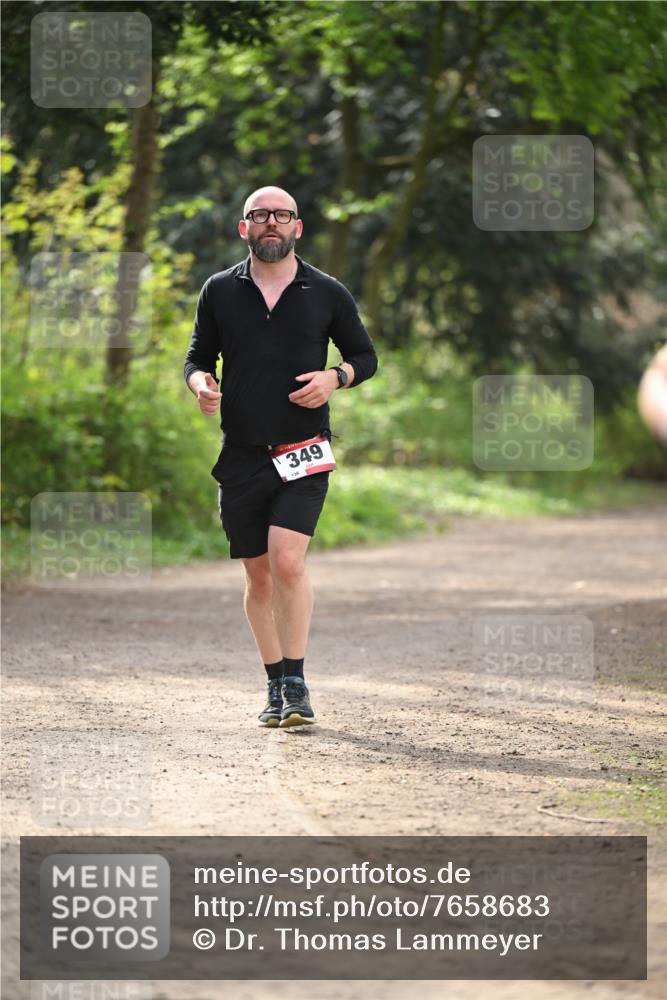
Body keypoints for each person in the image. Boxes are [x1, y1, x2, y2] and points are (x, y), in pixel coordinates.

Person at [184, 186, 378, 728]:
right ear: (243, 227)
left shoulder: (327, 292)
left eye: (282, 215)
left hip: (304, 451)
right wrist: (201, 383)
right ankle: (274, 685)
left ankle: (296, 681)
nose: (272, 222)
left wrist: (335, 377)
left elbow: (366, 355)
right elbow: (197, 357)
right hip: (242, 455)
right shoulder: (219, 290)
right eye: (260, 215)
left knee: (288, 561)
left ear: (298, 226)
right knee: (259, 576)